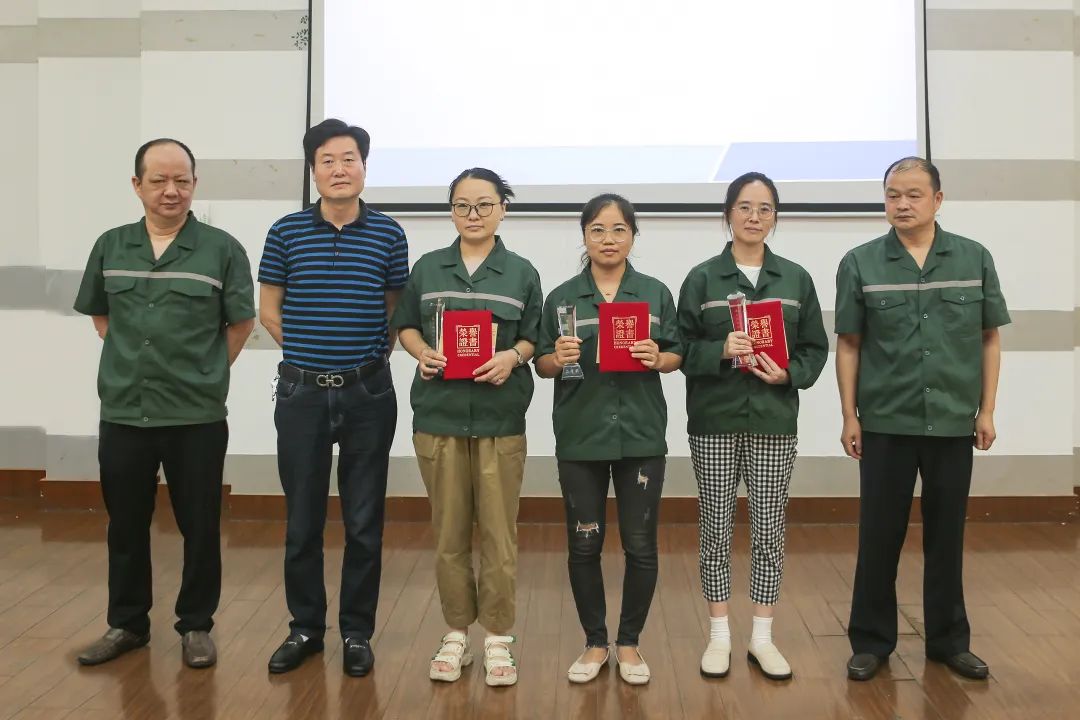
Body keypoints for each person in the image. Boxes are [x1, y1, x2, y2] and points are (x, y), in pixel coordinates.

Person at [74, 138, 255, 668]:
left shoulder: (221, 249)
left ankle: (196, 625)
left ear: (194, 184)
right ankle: (127, 624)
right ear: (138, 185)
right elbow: (101, 314)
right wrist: (131, 358)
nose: (171, 190)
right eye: (158, 180)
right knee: (125, 524)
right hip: (124, 411)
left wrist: (206, 371)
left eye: (182, 180)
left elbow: (241, 322)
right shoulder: (111, 245)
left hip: (195, 416)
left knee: (199, 526)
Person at [835, 157, 1009, 681]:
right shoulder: (860, 262)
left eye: (913, 194)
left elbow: (989, 338)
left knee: (946, 535)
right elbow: (849, 344)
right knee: (878, 536)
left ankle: (949, 642)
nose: (902, 204)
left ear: (938, 199)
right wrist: (849, 415)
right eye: (893, 195)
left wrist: (987, 409)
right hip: (885, 421)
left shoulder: (974, 257)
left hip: (953, 420)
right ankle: (871, 642)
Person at [259, 119, 409, 677]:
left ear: (364, 167)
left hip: (368, 392)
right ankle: (305, 628)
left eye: (349, 159)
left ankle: (356, 632)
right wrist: (308, 354)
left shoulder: (389, 234)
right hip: (301, 392)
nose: (339, 169)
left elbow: (394, 311)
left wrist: (362, 360)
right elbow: (269, 309)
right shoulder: (286, 232)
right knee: (302, 521)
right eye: (327, 160)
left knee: (364, 521)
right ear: (313, 170)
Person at [391, 168, 541, 687]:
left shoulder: (521, 272)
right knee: (449, 533)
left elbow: (534, 338)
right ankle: (456, 632)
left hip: (500, 419)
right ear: (451, 211)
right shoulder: (429, 267)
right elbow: (406, 325)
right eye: (462, 205)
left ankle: (498, 637)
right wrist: (422, 352)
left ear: (503, 208)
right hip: (440, 416)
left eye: (484, 205)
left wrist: (511, 357)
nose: (473, 215)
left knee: (499, 535)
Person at [678, 172, 828, 681]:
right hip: (714, 420)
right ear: (727, 214)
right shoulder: (702, 279)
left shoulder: (795, 279)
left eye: (765, 209)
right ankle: (719, 634)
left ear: (775, 217)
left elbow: (815, 348)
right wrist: (720, 349)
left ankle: (762, 637)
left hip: (773, 420)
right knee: (715, 528)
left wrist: (790, 373)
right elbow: (680, 350)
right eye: (744, 207)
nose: (754, 217)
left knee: (769, 529)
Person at [535, 193, 683, 685]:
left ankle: (629, 643)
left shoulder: (654, 293)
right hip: (581, 434)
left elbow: (677, 353)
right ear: (584, 236)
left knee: (641, 545)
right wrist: (557, 357)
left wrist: (657, 358)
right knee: (585, 544)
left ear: (633, 236)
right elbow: (542, 365)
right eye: (597, 229)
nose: (608, 239)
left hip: (641, 434)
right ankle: (595, 642)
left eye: (619, 229)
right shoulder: (562, 298)